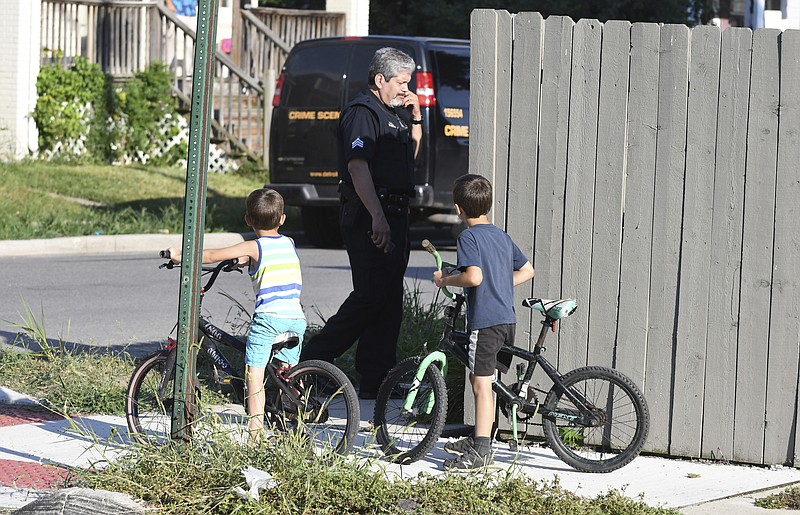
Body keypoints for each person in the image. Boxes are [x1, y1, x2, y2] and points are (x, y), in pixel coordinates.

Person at [299, 47, 422, 399]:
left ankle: (376, 380)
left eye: (408, 82)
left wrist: (416, 118)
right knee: (369, 297)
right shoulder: (362, 113)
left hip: (395, 214)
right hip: (372, 215)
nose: (406, 89)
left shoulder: (394, 113)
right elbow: (357, 167)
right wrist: (378, 218)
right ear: (380, 79)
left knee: (389, 299)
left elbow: (408, 158)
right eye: (401, 82)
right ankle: (313, 362)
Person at [166, 188, 306, 439]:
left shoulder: (252, 246)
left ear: (248, 219)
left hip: (269, 319)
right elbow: (266, 255)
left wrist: (180, 256)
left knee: (254, 374)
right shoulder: (289, 242)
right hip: (296, 318)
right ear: (282, 219)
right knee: (287, 371)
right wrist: (243, 260)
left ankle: (255, 435)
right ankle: (300, 410)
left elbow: (209, 255)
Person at [433, 174, 535, 471]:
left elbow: (473, 276)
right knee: (484, 383)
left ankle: (480, 452)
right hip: (507, 320)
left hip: (486, 321)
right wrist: (500, 284)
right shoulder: (501, 236)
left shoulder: (468, 237)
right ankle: (481, 440)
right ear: (488, 205)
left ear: (457, 209)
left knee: (481, 385)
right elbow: (528, 270)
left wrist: (445, 280)